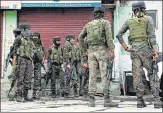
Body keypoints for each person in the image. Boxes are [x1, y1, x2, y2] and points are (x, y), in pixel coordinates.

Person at [116, 1, 162, 108]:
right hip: (147, 51)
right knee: (152, 74)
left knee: (137, 76)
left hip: (135, 52)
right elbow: (152, 37)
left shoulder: (128, 21)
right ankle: (156, 100)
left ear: (133, 10)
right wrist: (155, 52)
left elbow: (118, 35)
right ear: (143, 9)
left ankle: (140, 101)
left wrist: (126, 47)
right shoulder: (148, 19)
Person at [78, 7, 118, 107]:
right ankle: (107, 100)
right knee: (104, 74)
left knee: (92, 75)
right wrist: (112, 51)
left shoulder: (88, 24)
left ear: (94, 14)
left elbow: (80, 37)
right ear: (103, 14)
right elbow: (109, 38)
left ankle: (91, 100)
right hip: (102, 51)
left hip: (91, 53)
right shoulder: (105, 23)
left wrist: (84, 51)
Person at [15, 24, 35, 102]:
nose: (29, 31)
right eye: (27, 30)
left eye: (29, 30)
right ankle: (19, 96)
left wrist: (32, 56)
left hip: (28, 60)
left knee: (28, 78)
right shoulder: (19, 39)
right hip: (21, 59)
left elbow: (33, 49)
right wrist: (15, 63)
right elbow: (14, 50)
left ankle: (25, 95)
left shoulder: (30, 40)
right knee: (21, 77)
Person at [32, 32, 45, 100]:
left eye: (36, 36)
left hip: (38, 63)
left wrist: (43, 59)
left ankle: (35, 94)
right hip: (30, 63)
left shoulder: (40, 44)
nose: (35, 37)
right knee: (27, 78)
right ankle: (24, 94)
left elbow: (43, 52)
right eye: (34, 36)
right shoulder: (30, 43)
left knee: (37, 78)